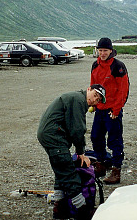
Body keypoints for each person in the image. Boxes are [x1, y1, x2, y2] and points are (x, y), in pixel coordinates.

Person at [37, 84, 106, 220]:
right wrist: (81, 152)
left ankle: (60, 208)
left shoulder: (77, 98)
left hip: (49, 135)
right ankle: (83, 211)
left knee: (61, 169)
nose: (95, 100)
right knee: (68, 172)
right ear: (88, 89)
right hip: (54, 136)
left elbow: (72, 127)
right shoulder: (78, 100)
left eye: (98, 99)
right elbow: (78, 129)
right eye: (95, 95)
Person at [90, 37, 129, 184]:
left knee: (114, 141)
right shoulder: (95, 65)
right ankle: (101, 164)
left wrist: (117, 110)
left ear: (111, 51)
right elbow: (93, 86)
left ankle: (116, 170)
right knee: (95, 137)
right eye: (100, 50)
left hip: (112, 111)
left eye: (105, 50)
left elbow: (123, 90)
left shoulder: (118, 66)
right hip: (100, 109)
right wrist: (92, 103)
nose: (102, 53)